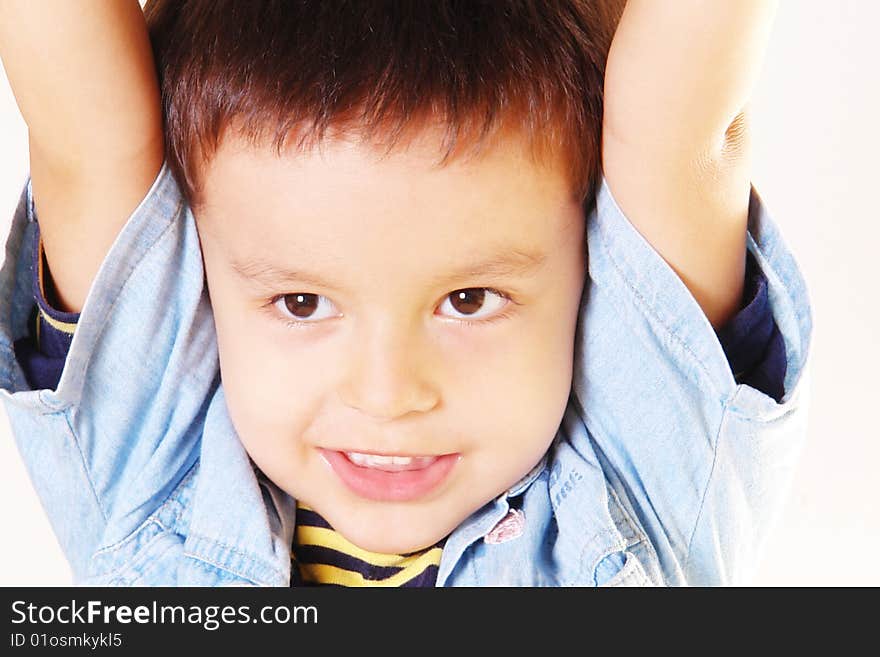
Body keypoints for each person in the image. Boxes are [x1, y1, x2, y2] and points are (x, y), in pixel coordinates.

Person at [0, 0, 811, 586]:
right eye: (302, 304)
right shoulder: (154, 465)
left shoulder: (643, 479)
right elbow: (89, 133)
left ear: (595, 258)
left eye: (468, 299)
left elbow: (679, 127)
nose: (387, 396)